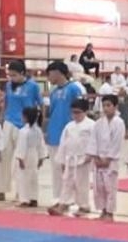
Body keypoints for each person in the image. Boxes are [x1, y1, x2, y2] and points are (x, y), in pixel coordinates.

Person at [0, 60, 43, 203]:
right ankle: (2, 190)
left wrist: (40, 123)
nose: (11, 78)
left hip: (24, 125)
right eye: (10, 75)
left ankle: (21, 192)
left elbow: (40, 104)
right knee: (5, 156)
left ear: (23, 73)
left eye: (14, 75)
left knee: (21, 160)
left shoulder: (33, 86)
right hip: (9, 121)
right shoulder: (8, 86)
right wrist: (2, 118)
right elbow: (5, 103)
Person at [44, 61, 86, 201]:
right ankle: (58, 198)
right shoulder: (53, 92)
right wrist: (47, 132)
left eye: (49, 74)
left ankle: (74, 199)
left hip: (70, 134)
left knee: (70, 170)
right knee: (56, 169)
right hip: (54, 134)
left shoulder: (74, 89)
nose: (48, 78)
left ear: (57, 72)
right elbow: (51, 113)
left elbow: (81, 110)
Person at [49, 98, 94, 217]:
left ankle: (84, 206)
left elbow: (94, 143)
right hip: (70, 158)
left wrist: (90, 156)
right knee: (67, 182)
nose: (75, 115)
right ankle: (64, 204)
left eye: (78, 112)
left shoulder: (91, 125)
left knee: (81, 183)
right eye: (73, 112)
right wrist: (63, 160)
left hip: (83, 159)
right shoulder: (69, 126)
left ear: (85, 111)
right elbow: (63, 143)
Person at [90, 94, 125, 221]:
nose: (105, 108)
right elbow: (93, 140)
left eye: (109, 105)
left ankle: (110, 212)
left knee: (110, 187)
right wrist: (96, 157)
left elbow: (117, 142)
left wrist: (108, 159)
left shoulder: (119, 123)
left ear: (115, 106)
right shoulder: (98, 123)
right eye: (104, 105)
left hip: (111, 161)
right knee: (99, 187)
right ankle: (103, 210)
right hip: (99, 159)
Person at [15, 106, 46, 208]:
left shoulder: (24, 131)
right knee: (34, 177)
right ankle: (34, 198)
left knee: (23, 178)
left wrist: (20, 159)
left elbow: (21, 146)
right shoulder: (38, 130)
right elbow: (41, 145)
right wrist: (41, 158)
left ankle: (25, 199)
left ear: (26, 117)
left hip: (26, 155)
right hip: (35, 155)